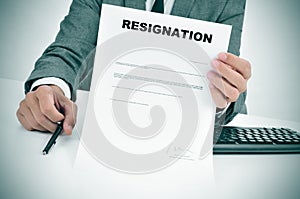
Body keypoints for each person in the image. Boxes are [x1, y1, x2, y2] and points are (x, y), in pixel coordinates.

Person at [16, 0, 251, 135]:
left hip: (179, 138)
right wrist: (51, 85)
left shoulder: (226, 2)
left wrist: (227, 94)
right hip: (96, 132)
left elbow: (228, 77)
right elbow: (69, 48)